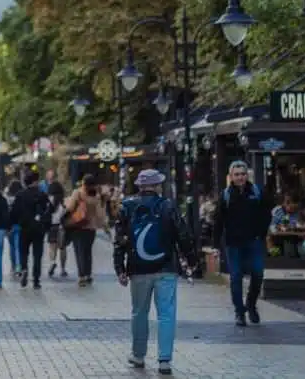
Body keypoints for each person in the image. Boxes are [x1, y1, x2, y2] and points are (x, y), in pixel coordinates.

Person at [114, 169, 198, 376]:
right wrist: (192, 260)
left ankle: (138, 355)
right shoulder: (168, 206)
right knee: (166, 314)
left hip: (138, 269)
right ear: (158, 186)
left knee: (139, 312)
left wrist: (120, 268)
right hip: (166, 268)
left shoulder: (127, 207)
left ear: (140, 187)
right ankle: (164, 360)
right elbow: (183, 235)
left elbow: (120, 241)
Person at [212, 160, 273, 327]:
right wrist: (216, 245)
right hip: (233, 244)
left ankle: (251, 304)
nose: (240, 177)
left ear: (247, 175)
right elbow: (218, 221)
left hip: (254, 242)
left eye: (243, 174)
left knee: (258, 274)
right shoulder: (225, 195)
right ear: (231, 176)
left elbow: (267, 213)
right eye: (237, 174)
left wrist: (261, 233)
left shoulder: (256, 192)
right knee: (236, 277)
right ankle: (239, 311)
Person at [9, 170, 52, 288]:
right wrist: (46, 225)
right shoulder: (42, 195)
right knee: (37, 254)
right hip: (38, 229)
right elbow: (49, 210)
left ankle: (24, 269)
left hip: (24, 227)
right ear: (36, 181)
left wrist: (12, 224)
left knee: (24, 252)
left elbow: (13, 212)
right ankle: (36, 280)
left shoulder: (20, 195)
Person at [65, 174, 107, 286]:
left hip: (78, 226)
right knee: (87, 252)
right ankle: (88, 275)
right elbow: (99, 214)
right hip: (91, 228)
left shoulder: (78, 193)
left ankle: (82, 276)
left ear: (84, 183)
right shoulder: (96, 196)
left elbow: (70, 207)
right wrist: (104, 226)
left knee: (79, 252)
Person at [46, 181, 69, 278]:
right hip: (61, 226)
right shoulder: (64, 201)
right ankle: (63, 269)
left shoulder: (48, 200)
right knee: (62, 248)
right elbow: (67, 212)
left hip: (51, 226)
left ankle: (52, 262)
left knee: (52, 247)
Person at [5, 180, 23, 279]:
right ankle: (19, 267)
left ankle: (12, 266)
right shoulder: (22, 197)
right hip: (20, 225)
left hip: (10, 226)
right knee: (18, 247)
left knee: (12, 247)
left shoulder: (7, 199)